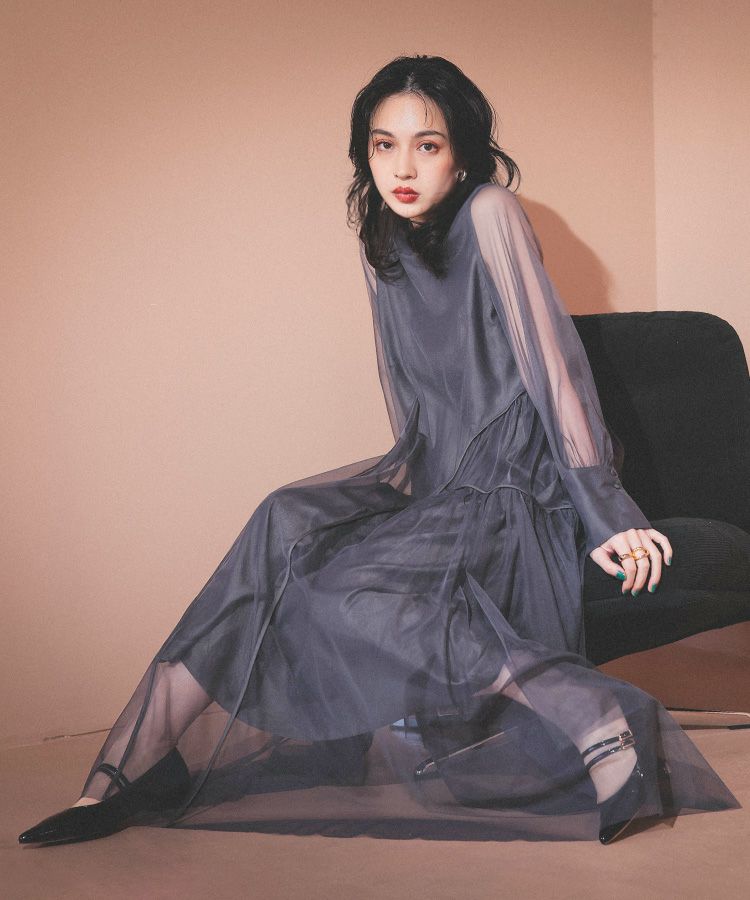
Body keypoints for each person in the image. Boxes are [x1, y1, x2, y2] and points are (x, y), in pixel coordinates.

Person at [19, 54, 739, 849]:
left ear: (462, 154)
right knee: (283, 518)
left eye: (427, 146)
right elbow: (412, 396)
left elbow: (553, 365)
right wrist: (408, 499)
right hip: (439, 475)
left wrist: (603, 508)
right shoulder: (380, 239)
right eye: (383, 145)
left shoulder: (491, 212)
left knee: (346, 588)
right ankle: (125, 769)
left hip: (517, 483)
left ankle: (590, 714)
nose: (402, 168)